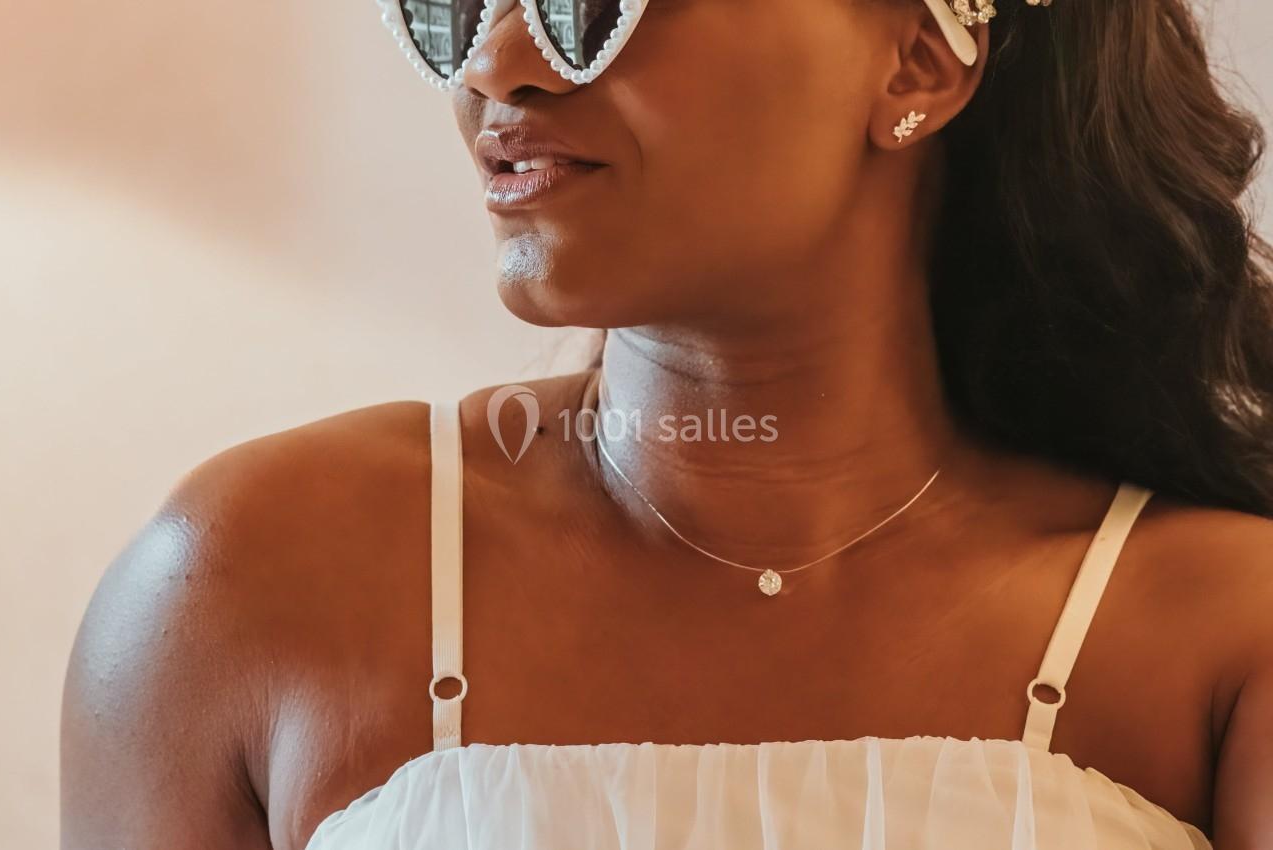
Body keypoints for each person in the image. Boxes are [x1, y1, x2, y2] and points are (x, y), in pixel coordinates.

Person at [62, 0, 1273, 847]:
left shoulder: (1222, 636)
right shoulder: (247, 586)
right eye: (454, 3)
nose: (500, 65)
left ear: (915, 62)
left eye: (602, 3)